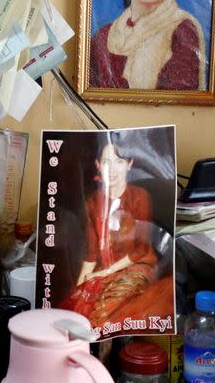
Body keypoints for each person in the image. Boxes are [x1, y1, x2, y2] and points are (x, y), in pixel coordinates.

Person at [61, 135, 159, 323]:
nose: (112, 169)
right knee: (76, 306)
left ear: (129, 164)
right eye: (106, 162)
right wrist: (79, 288)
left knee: (103, 313)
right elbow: (91, 253)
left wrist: (103, 273)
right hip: (104, 270)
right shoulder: (92, 202)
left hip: (136, 266)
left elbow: (140, 250)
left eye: (119, 161)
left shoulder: (140, 197)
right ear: (98, 165)